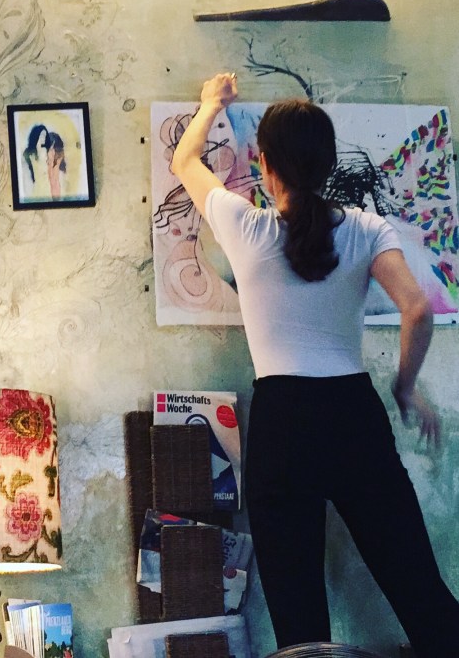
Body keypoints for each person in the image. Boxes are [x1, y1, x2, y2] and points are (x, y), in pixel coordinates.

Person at [170, 72, 459, 656]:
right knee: (422, 596)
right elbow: (418, 309)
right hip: (353, 415)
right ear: (328, 166)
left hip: (281, 422)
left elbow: (184, 160)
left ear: (264, 163)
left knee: (299, 625)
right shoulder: (367, 228)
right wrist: (405, 389)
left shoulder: (244, 225)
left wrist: (210, 104)